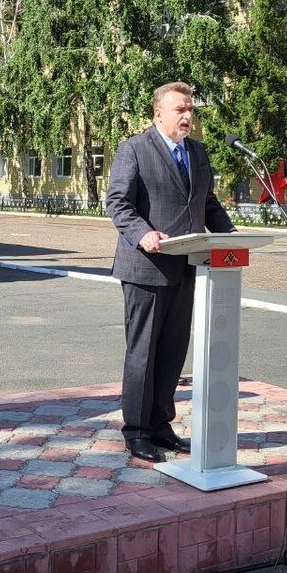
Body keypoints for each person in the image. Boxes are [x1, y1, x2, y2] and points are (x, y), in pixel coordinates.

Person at [105, 82, 234, 463]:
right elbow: (117, 203)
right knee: (143, 353)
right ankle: (137, 431)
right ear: (158, 113)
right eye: (179, 109)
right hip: (146, 267)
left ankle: (161, 424)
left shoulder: (197, 152)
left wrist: (229, 235)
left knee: (173, 352)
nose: (188, 116)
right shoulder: (135, 149)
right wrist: (143, 235)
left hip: (186, 265)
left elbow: (207, 203)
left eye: (190, 109)